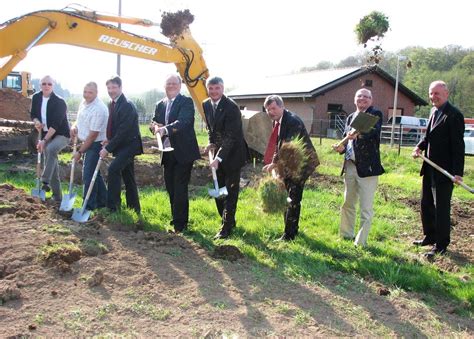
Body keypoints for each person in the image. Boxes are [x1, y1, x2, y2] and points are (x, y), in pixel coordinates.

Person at [412, 80, 465, 258]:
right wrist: (419, 146)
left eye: (437, 93)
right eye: (431, 93)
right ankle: (429, 236)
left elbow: (458, 146)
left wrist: (458, 173)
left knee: (441, 208)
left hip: (445, 172)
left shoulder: (454, 115)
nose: (433, 97)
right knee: (426, 203)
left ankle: (441, 244)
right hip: (429, 168)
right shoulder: (433, 111)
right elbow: (428, 137)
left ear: (446, 94)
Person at [332, 88, 384, 247]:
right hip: (350, 166)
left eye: (366, 97)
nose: (363, 98)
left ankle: (360, 242)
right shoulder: (350, 117)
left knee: (365, 208)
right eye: (359, 96)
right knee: (348, 203)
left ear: (371, 100)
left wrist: (359, 134)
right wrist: (342, 148)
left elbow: (372, 133)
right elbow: (347, 139)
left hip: (367, 168)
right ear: (354, 99)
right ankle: (346, 235)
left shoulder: (375, 114)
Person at [262, 95, 318, 241]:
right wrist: (274, 161)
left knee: (293, 198)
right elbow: (278, 144)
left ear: (282, 106)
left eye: (273, 108)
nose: (271, 112)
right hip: (291, 162)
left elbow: (288, 147)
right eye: (268, 109)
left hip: (302, 164)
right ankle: (291, 228)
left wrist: (275, 164)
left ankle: (289, 235)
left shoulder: (292, 121)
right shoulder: (279, 121)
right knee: (287, 195)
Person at [150, 74, 200, 233]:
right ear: (164, 86)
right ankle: (176, 218)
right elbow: (154, 121)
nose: (171, 86)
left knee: (180, 187)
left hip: (183, 151)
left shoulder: (186, 102)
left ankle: (181, 224)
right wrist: (154, 127)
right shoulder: (160, 104)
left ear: (179, 86)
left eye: (174, 83)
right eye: (168, 84)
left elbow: (183, 122)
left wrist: (165, 129)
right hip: (166, 152)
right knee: (171, 187)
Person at [202, 76, 247, 239]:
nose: (214, 92)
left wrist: (218, 158)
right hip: (218, 154)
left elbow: (231, 137)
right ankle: (228, 220)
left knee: (230, 192)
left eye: (217, 88)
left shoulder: (231, 107)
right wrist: (211, 143)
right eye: (211, 88)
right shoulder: (206, 104)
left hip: (233, 155)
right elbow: (211, 129)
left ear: (223, 88)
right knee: (218, 190)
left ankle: (226, 229)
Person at [99, 76, 143, 214]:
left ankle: (113, 207)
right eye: (109, 88)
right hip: (121, 145)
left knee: (113, 170)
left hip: (130, 145)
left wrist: (108, 148)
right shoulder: (112, 103)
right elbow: (115, 126)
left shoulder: (127, 105)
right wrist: (108, 139)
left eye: (114, 87)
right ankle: (134, 208)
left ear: (120, 88)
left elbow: (123, 132)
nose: (111, 91)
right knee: (128, 176)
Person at [30, 75, 70, 202]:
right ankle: (57, 197)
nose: (46, 86)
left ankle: (44, 180)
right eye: (44, 84)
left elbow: (56, 125)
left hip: (61, 134)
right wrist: (37, 122)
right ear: (40, 85)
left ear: (53, 86)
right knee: (52, 165)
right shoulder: (36, 97)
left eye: (49, 84)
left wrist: (44, 140)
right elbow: (33, 115)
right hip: (46, 133)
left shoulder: (60, 102)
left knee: (51, 149)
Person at [70, 82, 108, 210]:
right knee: (94, 174)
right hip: (87, 141)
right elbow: (79, 119)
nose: (86, 95)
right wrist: (74, 126)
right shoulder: (84, 102)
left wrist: (80, 152)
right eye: (85, 92)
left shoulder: (99, 109)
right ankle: (104, 201)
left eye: (90, 92)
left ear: (96, 93)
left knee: (88, 175)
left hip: (95, 144)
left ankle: (88, 206)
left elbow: (93, 135)